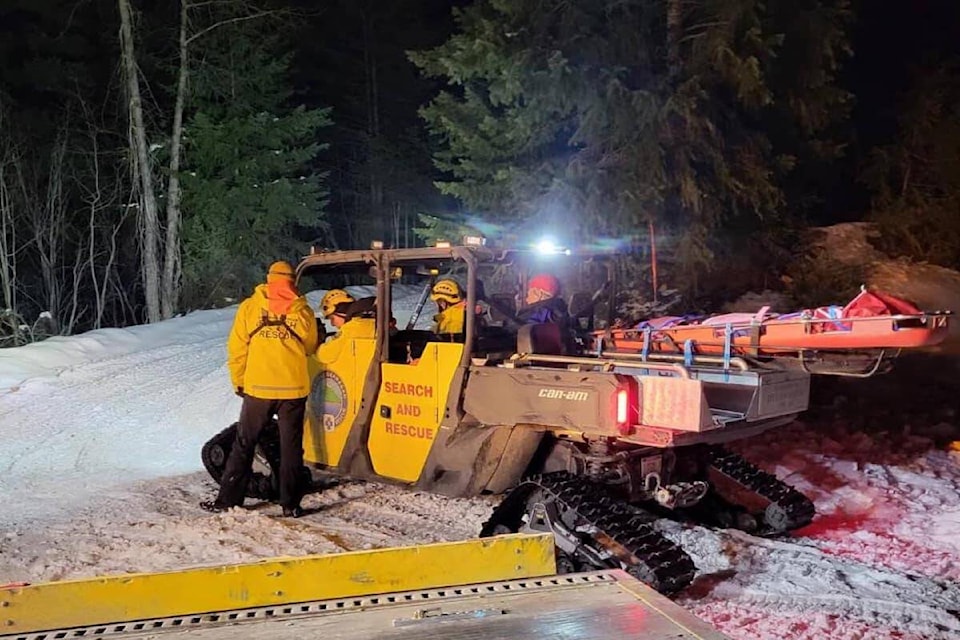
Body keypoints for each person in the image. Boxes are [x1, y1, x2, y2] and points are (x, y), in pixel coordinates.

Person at [201, 261, 319, 518]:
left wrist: (239, 380)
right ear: (292, 282)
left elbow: (237, 349)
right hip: (293, 390)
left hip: (258, 390)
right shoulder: (304, 312)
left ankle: (228, 500)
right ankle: (291, 504)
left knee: (244, 444)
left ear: (269, 279)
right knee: (291, 449)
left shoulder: (250, 309)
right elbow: (310, 347)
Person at [316, 288, 376, 364]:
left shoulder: (352, 328)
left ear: (341, 313)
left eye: (332, 318)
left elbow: (325, 356)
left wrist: (318, 345)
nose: (332, 324)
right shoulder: (373, 321)